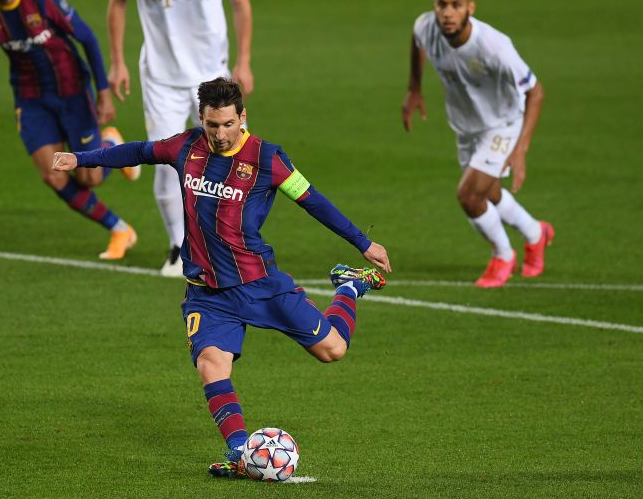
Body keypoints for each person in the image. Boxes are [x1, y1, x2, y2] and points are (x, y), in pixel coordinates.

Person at [52, 78, 391, 477]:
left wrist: (362, 242)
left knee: (332, 350)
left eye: (228, 124)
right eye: (212, 125)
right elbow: (139, 152)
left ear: (242, 117)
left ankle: (350, 286)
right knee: (212, 364)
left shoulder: (269, 158)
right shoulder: (185, 146)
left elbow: (312, 200)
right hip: (206, 292)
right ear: (202, 118)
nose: (220, 134)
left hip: (259, 284)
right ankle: (240, 453)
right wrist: (81, 158)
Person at [108, 0, 254, 276]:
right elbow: (117, 3)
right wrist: (118, 61)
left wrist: (244, 62)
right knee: (166, 160)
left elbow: (240, 4)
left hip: (214, 78)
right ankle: (178, 247)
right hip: (161, 78)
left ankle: (229, 243)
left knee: (231, 158)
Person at [0, 0, 139, 260]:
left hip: (72, 90)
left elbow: (86, 38)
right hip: (31, 99)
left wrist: (103, 93)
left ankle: (111, 144)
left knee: (90, 177)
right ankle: (119, 229)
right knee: (54, 174)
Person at [403, 0, 554, 288]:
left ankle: (503, 256)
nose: (447, 12)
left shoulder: (494, 47)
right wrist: (414, 88)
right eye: (441, 4)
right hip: (467, 126)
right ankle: (536, 234)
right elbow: (417, 40)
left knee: (470, 196)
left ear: (470, 8)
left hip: (502, 123)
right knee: (488, 191)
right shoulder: (426, 27)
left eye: (456, 5)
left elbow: (536, 92)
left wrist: (520, 150)